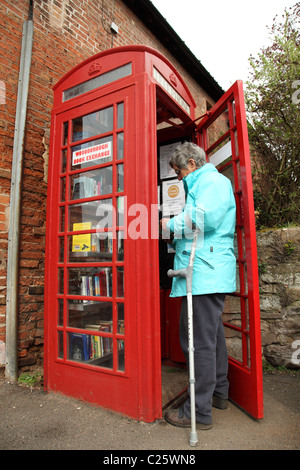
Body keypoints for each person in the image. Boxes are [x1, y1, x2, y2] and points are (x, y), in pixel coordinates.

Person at [160, 141, 236, 430]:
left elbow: (204, 219)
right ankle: (218, 394)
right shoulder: (205, 184)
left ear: (191, 163)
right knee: (211, 341)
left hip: (204, 274)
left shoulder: (212, 182)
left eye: (179, 171)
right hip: (206, 271)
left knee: (196, 344)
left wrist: (167, 225)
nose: (179, 178)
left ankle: (198, 413)